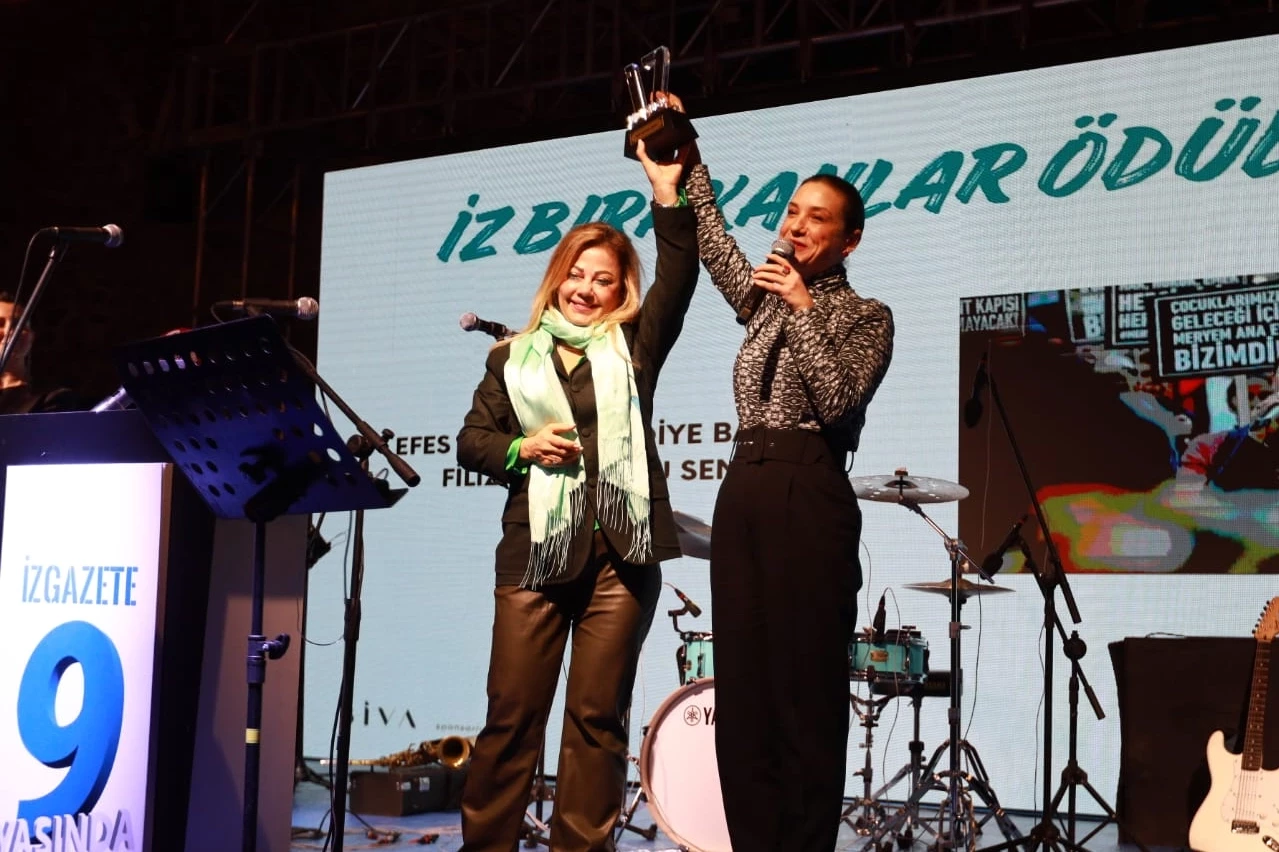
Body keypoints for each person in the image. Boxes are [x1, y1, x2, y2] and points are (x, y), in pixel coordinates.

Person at [455, 133, 696, 852]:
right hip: (533, 558)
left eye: (605, 280)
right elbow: (472, 441)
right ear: (557, 278)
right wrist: (521, 449)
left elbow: (680, 274)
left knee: (597, 723)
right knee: (511, 721)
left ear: (622, 292)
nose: (587, 289)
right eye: (577, 275)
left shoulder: (636, 348)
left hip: (620, 562)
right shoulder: (510, 358)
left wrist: (667, 194)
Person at [675, 94, 894, 851]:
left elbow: (836, 401)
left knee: (805, 693)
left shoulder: (865, 315)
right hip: (745, 488)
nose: (794, 226)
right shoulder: (763, 301)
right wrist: (687, 159)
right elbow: (715, 244)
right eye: (791, 212)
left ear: (849, 239)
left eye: (815, 218)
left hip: (811, 490)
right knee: (744, 694)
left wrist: (801, 308)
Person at [0, 292, 79, 414]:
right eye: (0, 323)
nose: (9, 331)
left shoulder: (51, 398)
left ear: (31, 337)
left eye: (18, 324)